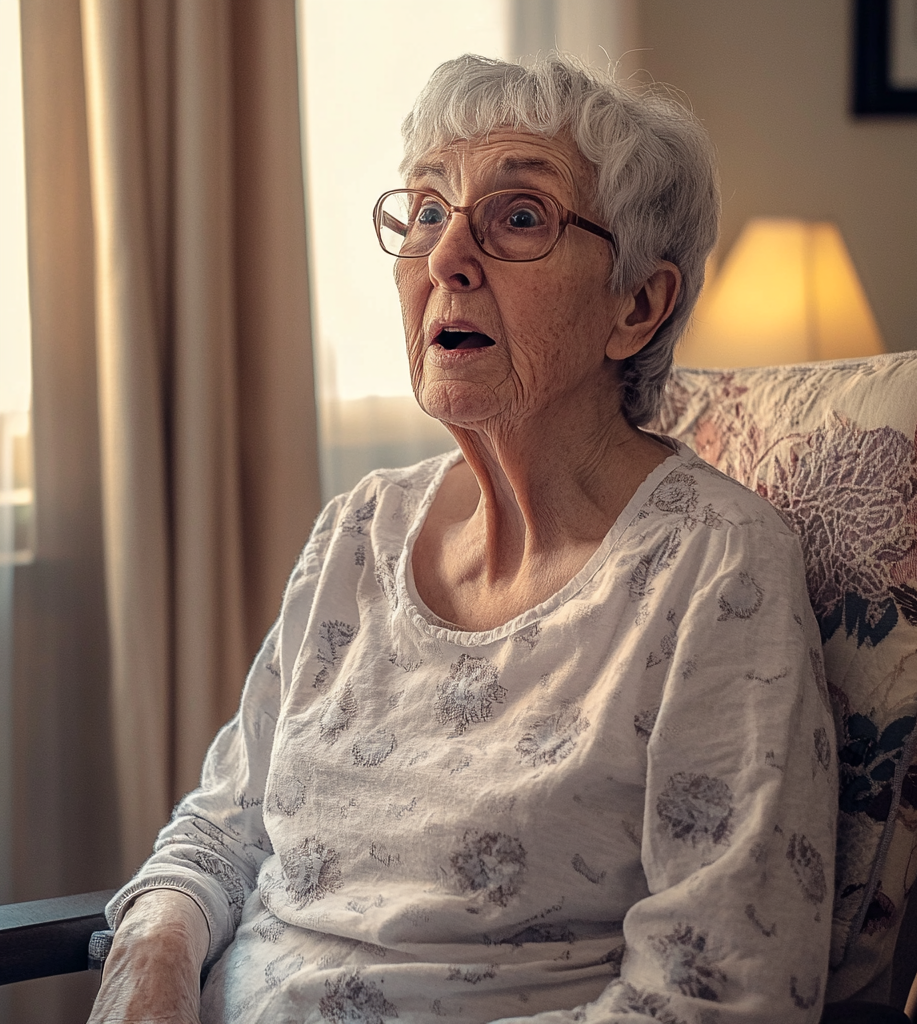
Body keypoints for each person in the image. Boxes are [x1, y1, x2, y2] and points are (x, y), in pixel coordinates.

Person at [88, 53, 837, 1024]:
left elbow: (715, 994)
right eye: (428, 210)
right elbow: (223, 831)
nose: (445, 255)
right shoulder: (360, 531)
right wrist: (146, 965)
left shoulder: (712, 570)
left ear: (637, 304)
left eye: (519, 217)